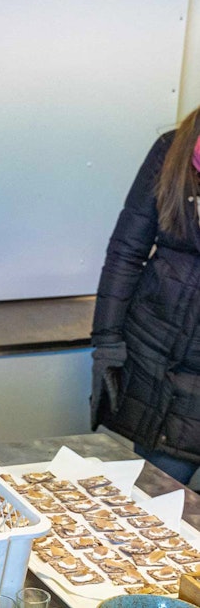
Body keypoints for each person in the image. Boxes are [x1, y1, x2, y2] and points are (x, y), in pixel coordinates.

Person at [92, 107, 200, 486]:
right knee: (154, 511)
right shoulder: (172, 150)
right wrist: (106, 344)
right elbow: (125, 251)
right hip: (157, 366)